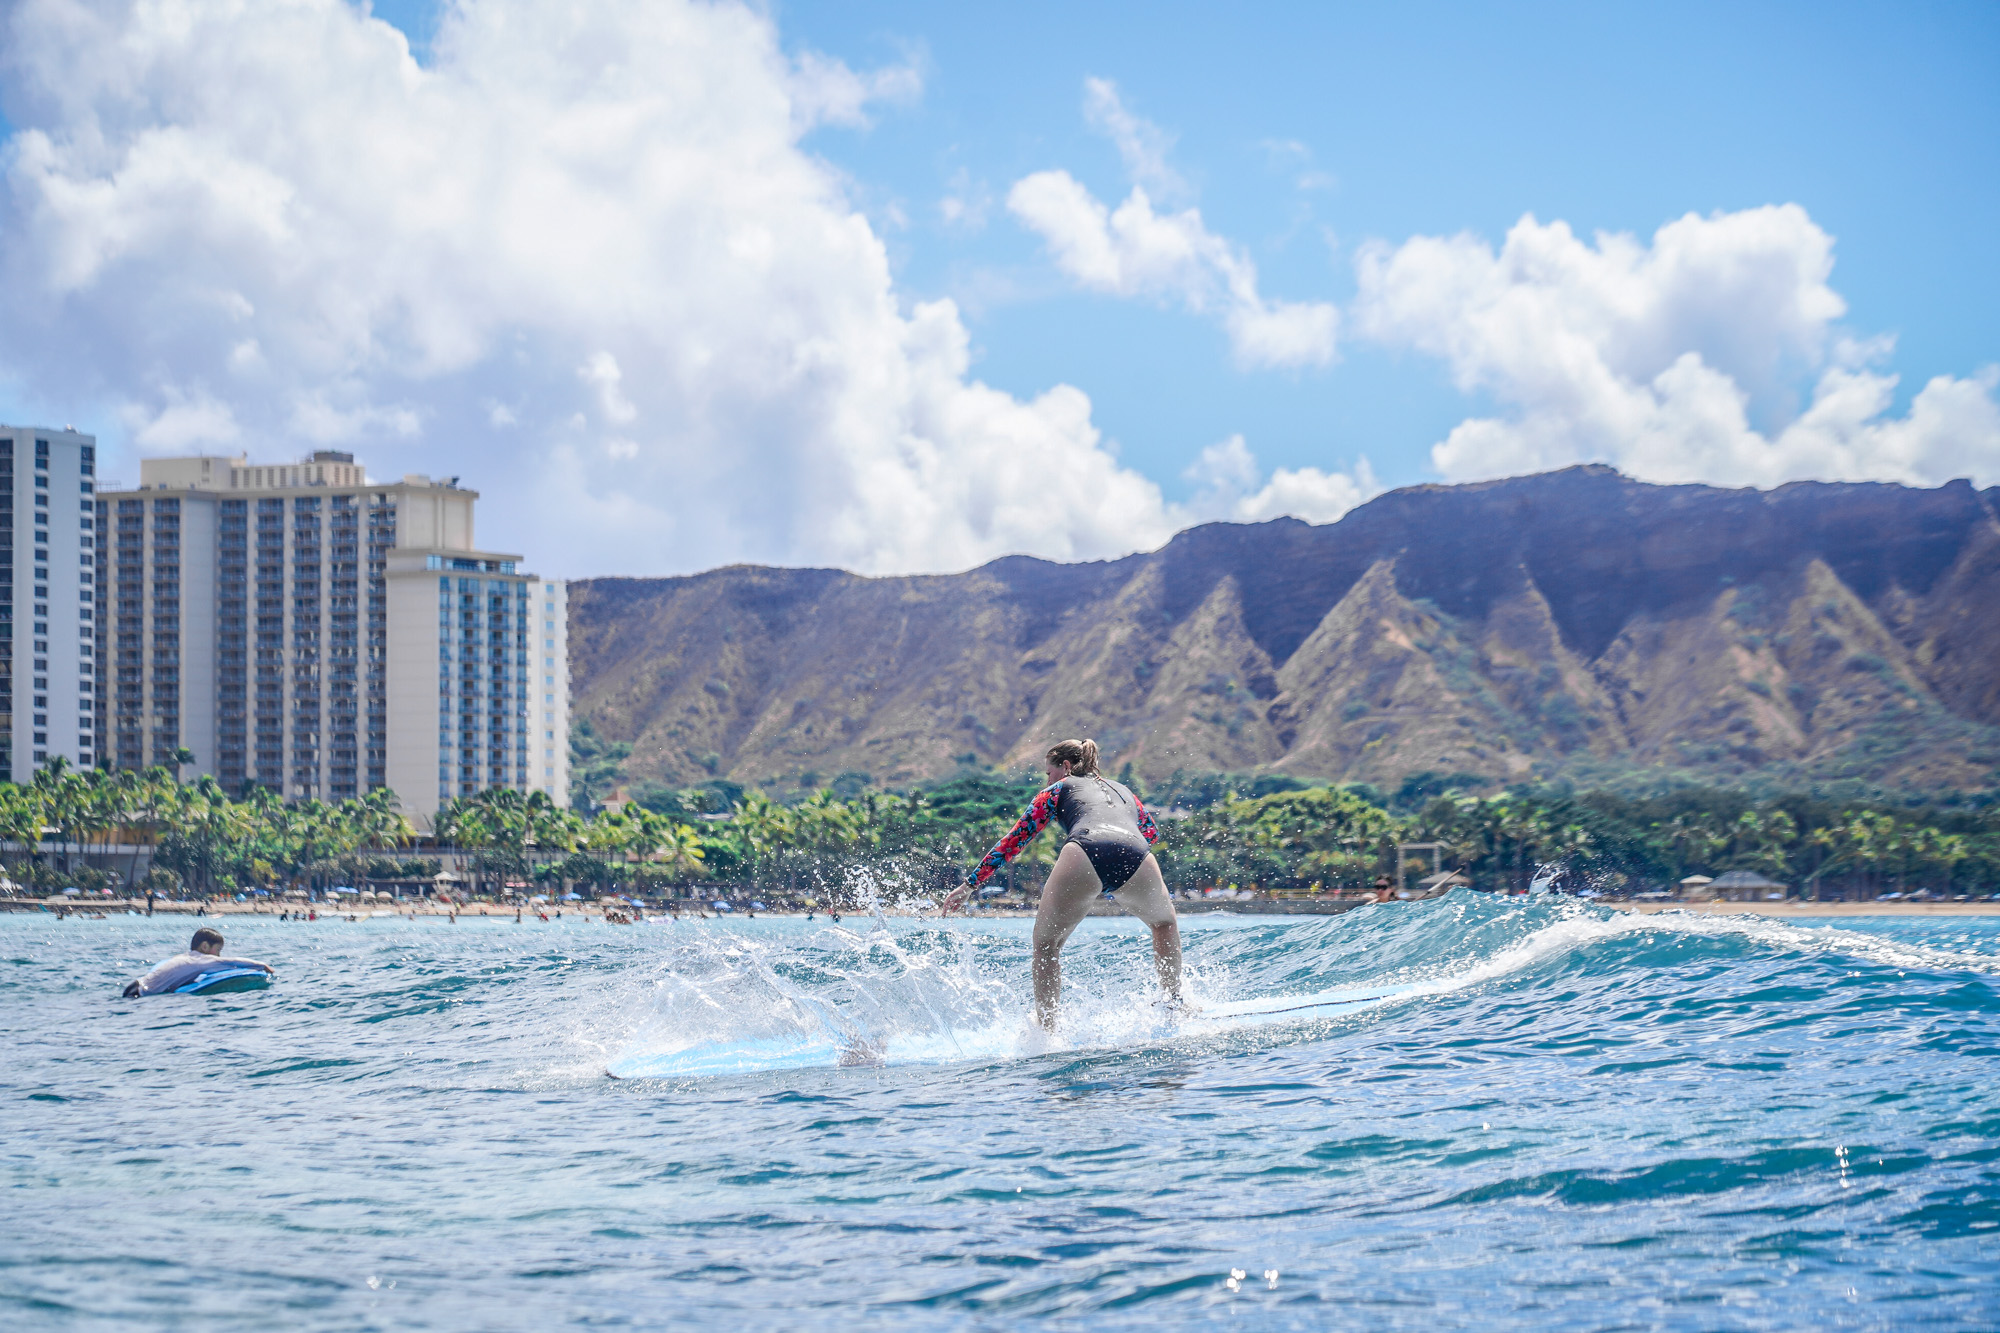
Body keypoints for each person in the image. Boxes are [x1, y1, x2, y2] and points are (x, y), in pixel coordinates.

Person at [943, 739, 1183, 1030]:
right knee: (1164, 924)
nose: (1048, 779)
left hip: (1085, 848)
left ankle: (1048, 1030)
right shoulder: (1124, 791)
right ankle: (1174, 1004)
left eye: (1049, 772)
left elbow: (1014, 840)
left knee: (1046, 945)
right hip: (1135, 853)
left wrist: (969, 885)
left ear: (1066, 766)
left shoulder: (1056, 790)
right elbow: (1151, 833)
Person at [121, 928, 276, 998]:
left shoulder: (185, 957)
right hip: (140, 994)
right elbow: (232, 961)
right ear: (205, 947)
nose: (219, 955)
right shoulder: (203, 959)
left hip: (135, 985)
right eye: (218, 949)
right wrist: (262, 965)